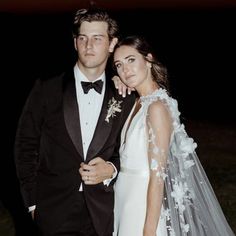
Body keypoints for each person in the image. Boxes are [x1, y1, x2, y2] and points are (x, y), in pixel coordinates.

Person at [14, 8, 135, 236]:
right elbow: (25, 147)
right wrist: (32, 204)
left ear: (112, 44)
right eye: (83, 38)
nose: (89, 45)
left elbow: (129, 150)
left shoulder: (125, 96)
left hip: (103, 213)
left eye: (97, 38)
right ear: (75, 42)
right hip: (52, 211)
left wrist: (111, 169)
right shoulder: (46, 89)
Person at [112, 35, 235, 236]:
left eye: (131, 60)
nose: (125, 70)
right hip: (124, 198)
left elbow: (158, 176)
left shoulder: (157, 107)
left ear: (149, 60)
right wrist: (115, 80)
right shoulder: (138, 102)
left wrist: (149, 231)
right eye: (118, 65)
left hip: (142, 205)